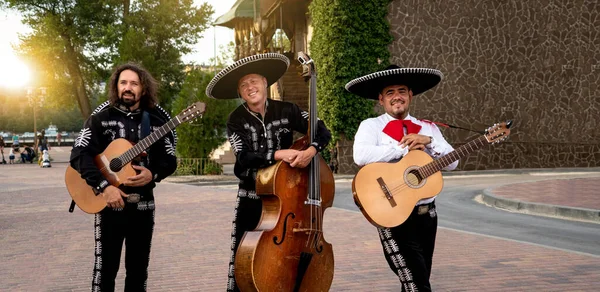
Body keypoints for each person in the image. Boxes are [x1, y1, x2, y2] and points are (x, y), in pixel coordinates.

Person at [205, 53, 332, 292]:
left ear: (265, 82)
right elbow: (244, 157)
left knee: (284, 259)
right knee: (242, 262)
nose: (250, 87)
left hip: (287, 201)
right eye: (243, 85)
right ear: (240, 93)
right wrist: (278, 154)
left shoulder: (287, 110)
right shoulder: (236, 120)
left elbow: (321, 129)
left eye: (254, 81)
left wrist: (311, 150)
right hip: (252, 199)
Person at [346, 65, 458, 291]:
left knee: (416, 279)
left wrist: (429, 142)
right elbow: (361, 156)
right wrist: (402, 149)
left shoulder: (429, 128)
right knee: (418, 283)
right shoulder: (371, 126)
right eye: (390, 92)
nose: (396, 96)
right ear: (381, 99)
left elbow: (453, 163)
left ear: (410, 95)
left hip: (427, 214)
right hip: (393, 213)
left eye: (401, 91)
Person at [69, 62, 177, 291]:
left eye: (134, 83)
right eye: (123, 82)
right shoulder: (100, 117)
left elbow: (169, 160)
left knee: (138, 273)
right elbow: (79, 155)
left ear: (144, 89)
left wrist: (153, 174)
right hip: (109, 207)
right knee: (104, 272)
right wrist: (104, 186)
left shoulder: (157, 120)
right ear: (116, 87)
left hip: (143, 206)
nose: (128, 88)